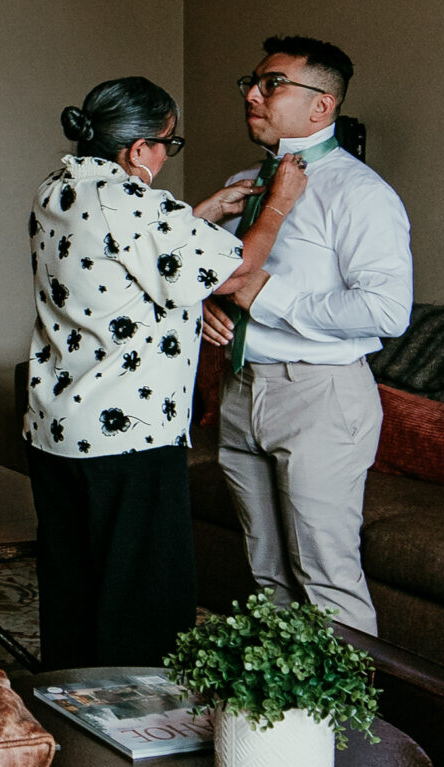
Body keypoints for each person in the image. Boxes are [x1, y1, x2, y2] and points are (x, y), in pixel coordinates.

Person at [23, 76, 307, 668]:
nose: (165, 157)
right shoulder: (139, 205)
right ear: (138, 150)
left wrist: (202, 211)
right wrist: (277, 204)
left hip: (59, 426)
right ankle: (136, 730)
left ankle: (68, 703)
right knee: (142, 596)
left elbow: (122, 253)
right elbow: (236, 272)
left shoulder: (58, 187)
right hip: (129, 431)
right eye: (166, 146)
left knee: (75, 584)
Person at [197, 36, 412, 635]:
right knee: (266, 574)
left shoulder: (361, 194)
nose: (252, 94)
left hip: (319, 395)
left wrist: (263, 297)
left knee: (326, 578)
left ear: (322, 106)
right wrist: (212, 310)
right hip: (242, 389)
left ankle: (352, 730)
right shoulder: (245, 184)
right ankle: (283, 727)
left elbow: (387, 310)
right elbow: (216, 275)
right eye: (252, 81)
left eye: (272, 84)